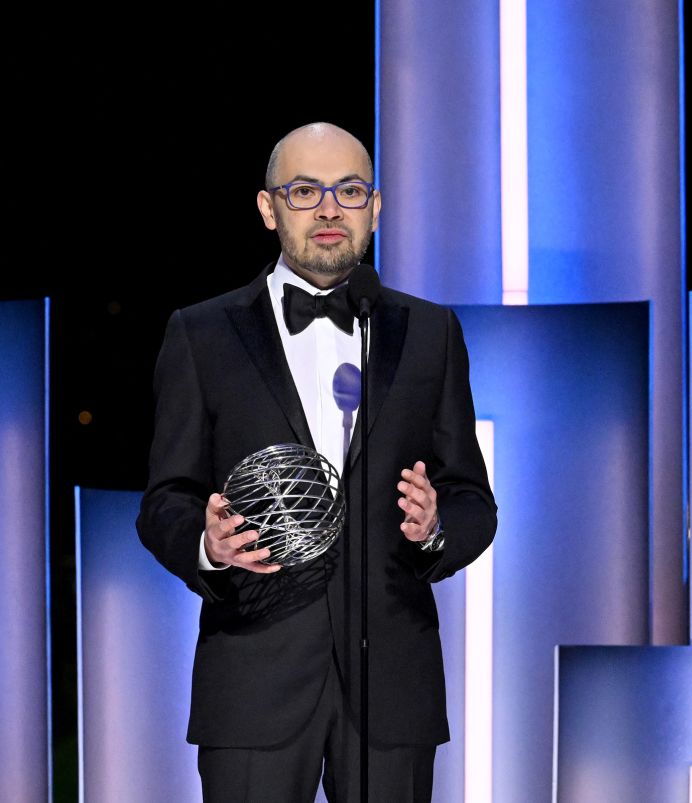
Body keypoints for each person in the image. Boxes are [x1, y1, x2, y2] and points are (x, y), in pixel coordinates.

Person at [137, 122, 496, 802]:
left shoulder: (430, 332)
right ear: (269, 209)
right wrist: (206, 543)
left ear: (376, 208)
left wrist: (436, 525)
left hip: (393, 689)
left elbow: (473, 498)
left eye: (350, 190)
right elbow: (165, 500)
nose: (331, 208)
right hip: (252, 685)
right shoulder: (200, 333)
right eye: (306, 190)